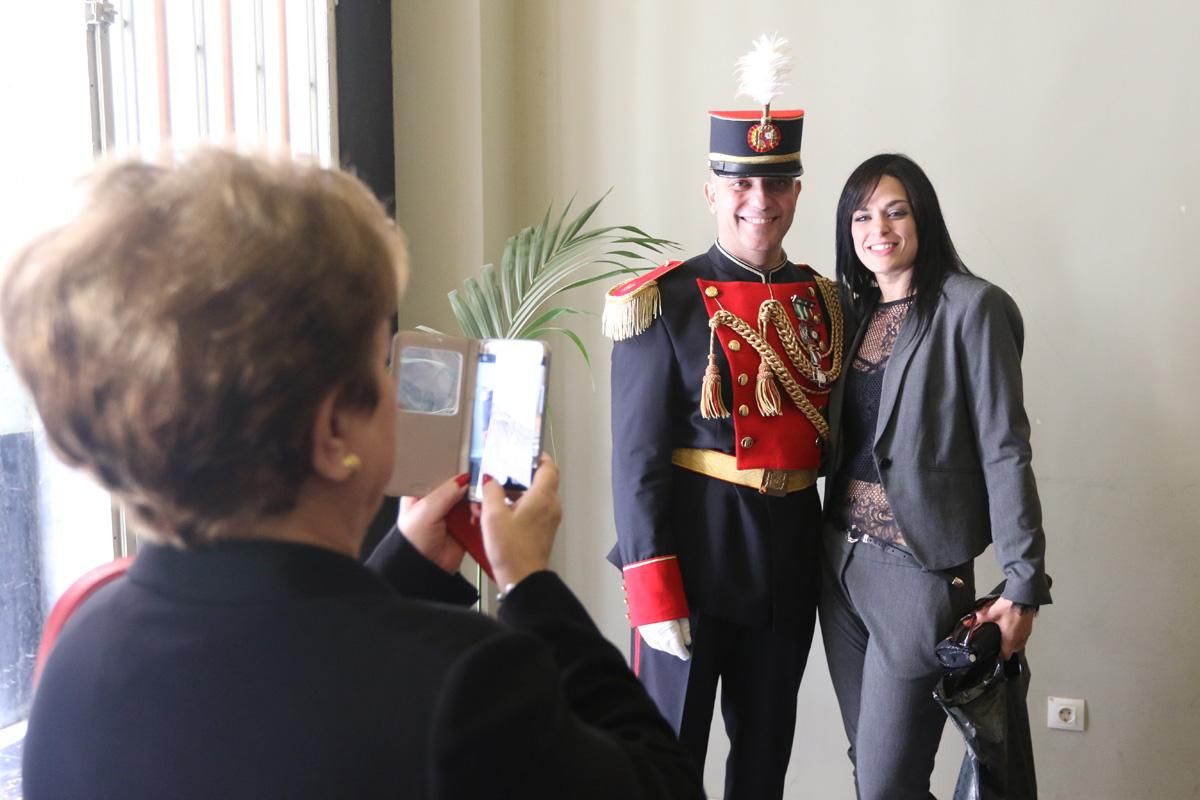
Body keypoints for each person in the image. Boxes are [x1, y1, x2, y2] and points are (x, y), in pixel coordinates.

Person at [5, 149, 705, 800]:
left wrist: (406, 569)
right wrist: (532, 585)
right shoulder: (467, 685)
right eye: (381, 362)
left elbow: (284, 682)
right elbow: (662, 784)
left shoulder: (78, 655)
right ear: (335, 428)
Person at [602, 35, 843, 799]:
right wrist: (651, 585)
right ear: (712, 190)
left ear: (797, 193)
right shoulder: (663, 299)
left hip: (789, 552)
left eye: (776, 186)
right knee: (665, 762)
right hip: (695, 554)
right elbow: (635, 458)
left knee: (764, 760)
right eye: (741, 184)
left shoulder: (826, 301)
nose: (759, 202)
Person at [819, 152, 1053, 800]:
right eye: (862, 215)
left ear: (923, 215)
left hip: (916, 576)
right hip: (837, 568)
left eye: (895, 210)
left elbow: (1006, 449)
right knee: (871, 773)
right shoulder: (853, 313)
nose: (879, 228)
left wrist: (1024, 585)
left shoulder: (972, 309)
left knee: (887, 783)